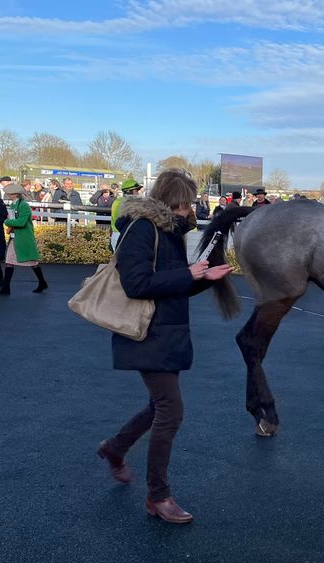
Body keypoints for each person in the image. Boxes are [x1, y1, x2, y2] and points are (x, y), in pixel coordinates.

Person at [96, 169, 233, 524]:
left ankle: (115, 448)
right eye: (187, 203)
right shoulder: (142, 227)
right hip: (147, 332)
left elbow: (171, 285)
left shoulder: (167, 231)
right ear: (174, 201)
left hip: (165, 330)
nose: (191, 210)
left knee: (160, 405)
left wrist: (204, 278)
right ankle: (158, 496)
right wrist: (190, 274)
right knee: (170, 409)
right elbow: (137, 284)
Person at [0, 184, 49, 295]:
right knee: (9, 262)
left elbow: (21, 222)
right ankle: (6, 288)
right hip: (16, 237)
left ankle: (42, 282)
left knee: (32, 262)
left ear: (15, 194)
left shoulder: (23, 205)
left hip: (23, 238)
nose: (8, 195)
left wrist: (7, 222)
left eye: (10, 193)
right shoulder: (15, 205)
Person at [111, 178, 143, 250]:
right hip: (123, 235)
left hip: (118, 234)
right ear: (129, 191)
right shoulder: (126, 203)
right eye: (136, 191)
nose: (138, 193)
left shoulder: (118, 201)